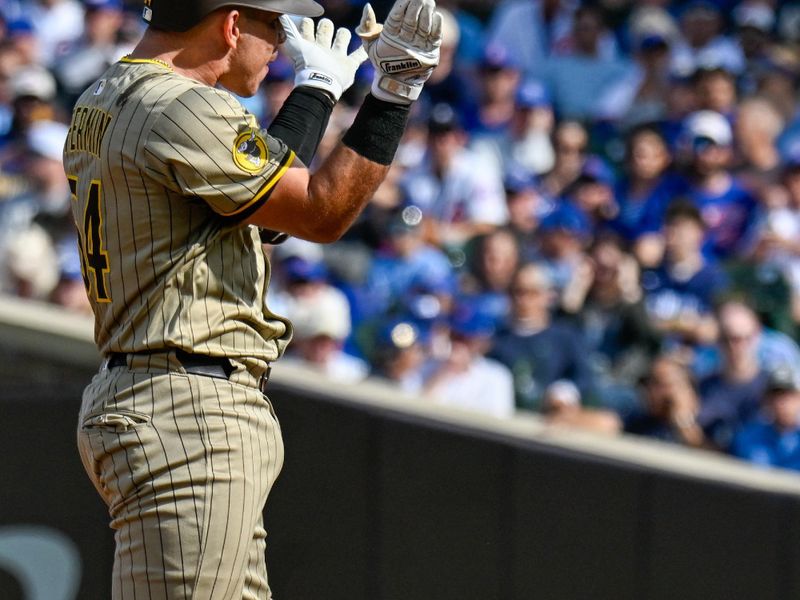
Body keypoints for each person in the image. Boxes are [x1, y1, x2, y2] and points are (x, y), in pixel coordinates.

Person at [63, 0, 442, 598]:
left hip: (156, 388)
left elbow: (258, 217)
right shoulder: (180, 103)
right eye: (274, 27)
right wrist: (395, 90)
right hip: (187, 406)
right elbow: (318, 211)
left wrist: (317, 92)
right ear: (232, 25)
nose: (282, 45)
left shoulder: (108, 93)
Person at [732, 365, 800, 471]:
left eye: (788, 395)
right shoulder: (748, 437)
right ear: (766, 400)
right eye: (776, 396)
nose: (782, 403)